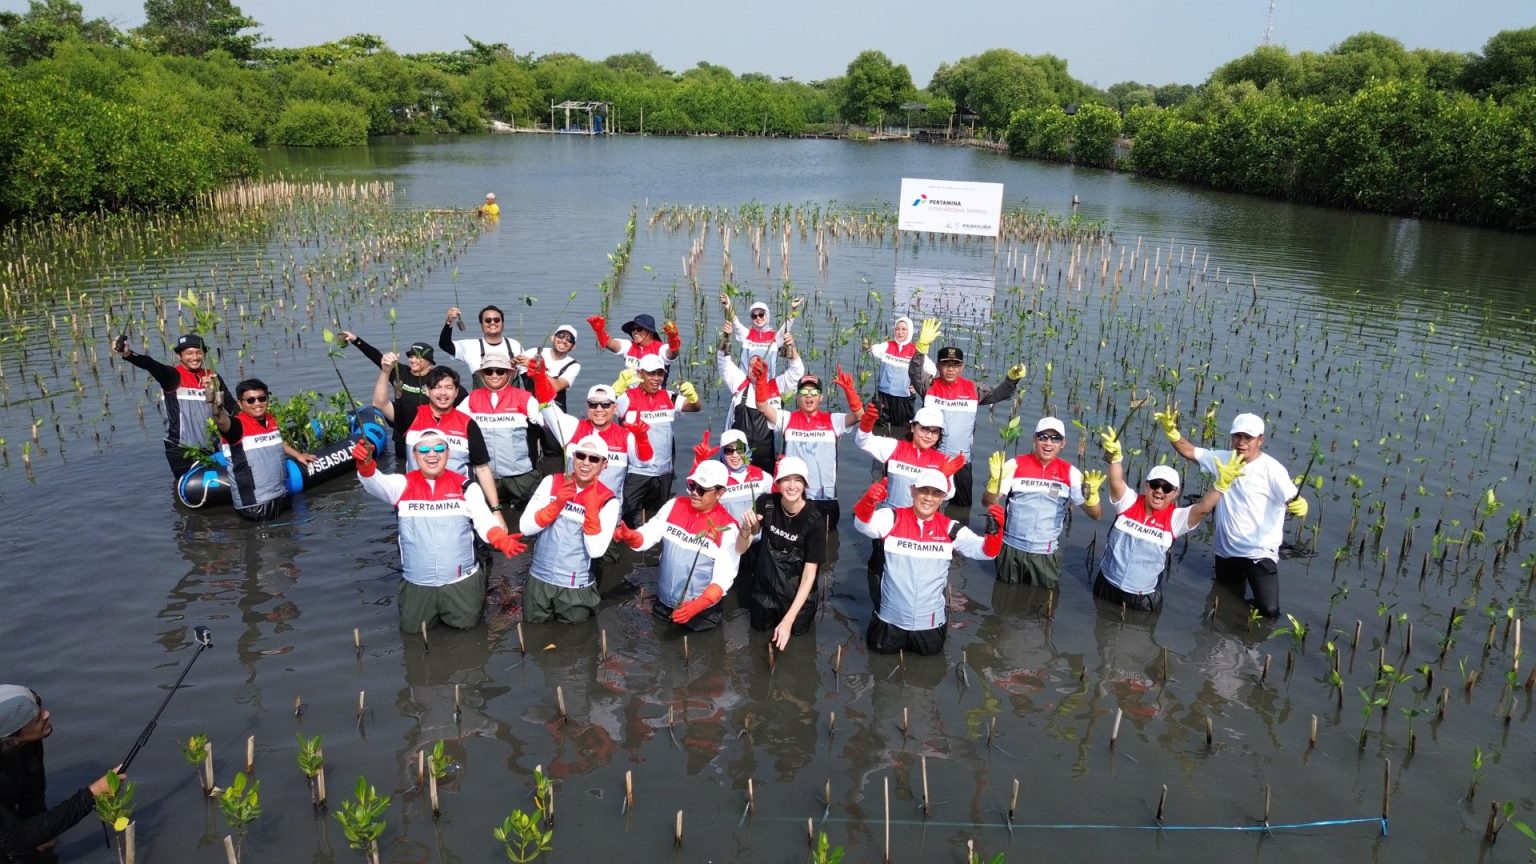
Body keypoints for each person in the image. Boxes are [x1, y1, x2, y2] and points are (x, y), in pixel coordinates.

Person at [354, 431, 525, 632]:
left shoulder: (466, 487)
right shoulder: (401, 485)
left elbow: (484, 520)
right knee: (412, 633)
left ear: (448, 453)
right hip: (417, 583)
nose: (432, 454)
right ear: (415, 455)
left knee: (468, 631)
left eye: (439, 449)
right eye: (424, 449)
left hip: (461, 582)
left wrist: (499, 538)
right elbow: (374, 481)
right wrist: (365, 464)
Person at [1158, 409, 1308, 617]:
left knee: (1269, 611)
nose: (1241, 442)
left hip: (1259, 553)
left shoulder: (1273, 470)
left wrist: (1301, 505)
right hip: (1226, 552)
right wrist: (1172, 432)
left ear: (1260, 440)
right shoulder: (1223, 460)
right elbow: (1189, 451)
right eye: (1237, 436)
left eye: (1248, 437)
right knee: (1223, 602)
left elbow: (1292, 499)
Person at [1092, 428, 1245, 612]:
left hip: (1143, 597)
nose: (1159, 491)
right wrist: (1116, 458)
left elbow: (1203, 508)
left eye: (1167, 488)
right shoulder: (1129, 502)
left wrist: (1221, 485)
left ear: (1176, 493)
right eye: (1155, 484)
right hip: (1107, 584)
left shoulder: (1175, 518)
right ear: (1146, 485)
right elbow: (1116, 481)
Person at [853, 470, 1004, 655]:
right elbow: (862, 525)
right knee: (880, 671)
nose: (928, 498)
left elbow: (986, 553)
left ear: (943, 498)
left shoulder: (951, 529)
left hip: (930, 625)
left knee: (928, 676)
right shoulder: (891, 518)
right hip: (889, 621)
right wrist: (868, 502)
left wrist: (995, 532)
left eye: (936, 493)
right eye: (924, 490)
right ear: (912, 491)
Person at [613, 461, 742, 632]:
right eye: (692, 485)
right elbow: (648, 534)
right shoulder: (674, 505)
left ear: (720, 493)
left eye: (702, 489)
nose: (694, 493)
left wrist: (697, 606)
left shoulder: (728, 528)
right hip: (663, 604)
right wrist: (632, 537)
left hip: (701, 613)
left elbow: (724, 578)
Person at [908, 320, 1025, 508]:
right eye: (946, 364)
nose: (950, 369)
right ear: (938, 366)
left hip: (962, 462)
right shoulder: (928, 385)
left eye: (955, 364)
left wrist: (1011, 379)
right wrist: (921, 349)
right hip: (932, 460)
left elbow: (1000, 393)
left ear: (962, 367)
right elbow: (914, 372)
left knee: (961, 509)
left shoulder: (973, 389)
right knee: (927, 507)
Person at [372, 359, 504, 521]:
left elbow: (482, 468)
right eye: (437, 387)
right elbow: (380, 402)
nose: (443, 393)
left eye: (449, 388)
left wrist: (496, 511)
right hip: (419, 503)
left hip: (458, 503)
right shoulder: (411, 416)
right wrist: (386, 371)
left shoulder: (468, 423)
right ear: (427, 391)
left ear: (456, 393)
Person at [0, 686, 123, 860]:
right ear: (12, 737)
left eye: (40, 707)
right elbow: (17, 840)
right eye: (36, 717)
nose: (47, 714)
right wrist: (92, 795)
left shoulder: (29, 741)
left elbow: (33, 795)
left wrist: (43, 834)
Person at [982, 417, 1104, 589]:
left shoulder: (1071, 473)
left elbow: (1096, 514)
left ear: (1063, 443)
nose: (1048, 443)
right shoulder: (1014, 464)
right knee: (1003, 600)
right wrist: (994, 483)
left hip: (1045, 555)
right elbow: (987, 502)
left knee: (1044, 606)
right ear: (1034, 439)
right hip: (1011, 550)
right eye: (1043, 437)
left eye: (1055, 438)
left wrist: (1092, 497)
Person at [517, 434, 620, 624]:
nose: (586, 463)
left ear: (604, 464)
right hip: (538, 581)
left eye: (594, 458)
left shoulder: (609, 501)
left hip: (576, 588)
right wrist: (555, 505)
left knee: (574, 643)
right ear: (573, 457)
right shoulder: (551, 482)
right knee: (534, 638)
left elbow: (596, 551)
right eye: (581, 456)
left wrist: (590, 510)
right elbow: (525, 528)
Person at [114, 333, 235, 482]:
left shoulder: (213, 377)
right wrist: (128, 354)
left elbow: (232, 406)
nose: (195, 357)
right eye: (189, 353)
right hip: (182, 448)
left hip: (214, 446)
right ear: (179, 356)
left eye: (199, 352)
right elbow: (151, 364)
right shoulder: (172, 376)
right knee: (194, 490)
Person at [526, 364, 653, 502]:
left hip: (607, 510)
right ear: (587, 407)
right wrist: (540, 379)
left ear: (615, 408)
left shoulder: (625, 436)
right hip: (571, 508)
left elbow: (644, 464)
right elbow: (547, 406)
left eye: (605, 404)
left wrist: (642, 439)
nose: (599, 409)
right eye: (593, 404)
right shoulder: (572, 427)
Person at [754, 366, 862, 528]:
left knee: (823, 548)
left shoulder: (833, 420)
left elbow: (859, 416)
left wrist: (850, 392)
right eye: (804, 393)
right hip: (795, 497)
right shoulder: (787, 418)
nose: (808, 397)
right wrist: (761, 382)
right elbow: (762, 407)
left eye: (813, 393)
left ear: (821, 397)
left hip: (825, 498)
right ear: (797, 397)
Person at [736, 456, 826, 649]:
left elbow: (809, 576)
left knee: (798, 650)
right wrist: (745, 528)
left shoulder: (815, 520)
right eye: (786, 479)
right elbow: (740, 549)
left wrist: (788, 620)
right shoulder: (765, 504)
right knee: (757, 644)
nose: (792, 486)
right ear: (778, 483)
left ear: (805, 484)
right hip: (763, 593)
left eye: (798, 480)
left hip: (797, 599)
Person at [613, 354, 702, 525]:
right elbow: (603, 410)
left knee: (656, 518)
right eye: (651, 374)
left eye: (659, 374)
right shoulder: (627, 397)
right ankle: (631, 549)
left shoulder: (669, 396)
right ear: (640, 374)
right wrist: (616, 389)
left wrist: (693, 396)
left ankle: (651, 550)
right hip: (636, 471)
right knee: (629, 519)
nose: (656, 379)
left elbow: (696, 408)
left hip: (663, 471)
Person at [214, 378, 317, 522]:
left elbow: (276, 443)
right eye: (250, 400)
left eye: (262, 398)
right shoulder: (236, 426)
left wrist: (298, 455)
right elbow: (222, 421)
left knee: (290, 540)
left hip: (281, 494)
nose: (257, 403)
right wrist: (216, 407)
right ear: (240, 404)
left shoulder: (270, 419)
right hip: (255, 503)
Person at [339, 336, 459, 458]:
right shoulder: (399, 372)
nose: (413, 360)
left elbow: (456, 396)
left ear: (429, 361)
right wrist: (356, 341)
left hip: (429, 433)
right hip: (401, 432)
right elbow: (376, 357)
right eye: (411, 356)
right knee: (402, 465)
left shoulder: (437, 379)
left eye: (418, 357)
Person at [462, 355, 544, 517]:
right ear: (481, 375)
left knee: (532, 516)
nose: (494, 375)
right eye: (488, 371)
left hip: (521, 475)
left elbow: (549, 424)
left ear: (509, 374)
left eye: (500, 371)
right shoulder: (471, 399)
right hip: (485, 474)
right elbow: (454, 427)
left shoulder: (525, 398)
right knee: (486, 519)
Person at [717, 325, 804, 473]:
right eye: (751, 365)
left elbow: (797, 372)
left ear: (767, 367)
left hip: (768, 457)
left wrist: (792, 349)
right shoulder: (740, 382)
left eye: (759, 364)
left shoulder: (777, 385)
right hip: (739, 455)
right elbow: (723, 362)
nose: (755, 368)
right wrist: (726, 337)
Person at [515, 325, 583, 456]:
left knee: (554, 454)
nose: (564, 340)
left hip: (554, 414)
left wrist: (538, 369)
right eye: (561, 336)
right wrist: (514, 361)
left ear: (573, 347)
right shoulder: (535, 352)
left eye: (569, 339)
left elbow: (557, 386)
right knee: (527, 452)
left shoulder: (574, 365)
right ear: (553, 337)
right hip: (529, 410)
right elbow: (512, 367)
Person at [867, 315, 935, 431]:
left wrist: (917, 385)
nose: (900, 332)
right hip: (883, 396)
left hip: (904, 398)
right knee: (879, 428)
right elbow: (870, 351)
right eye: (897, 329)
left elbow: (932, 370)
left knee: (902, 430)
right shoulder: (886, 346)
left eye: (904, 329)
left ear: (910, 331)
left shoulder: (915, 351)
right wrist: (867, 344)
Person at [689, 429, 771, 522]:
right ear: (722, 453)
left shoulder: (763, 477)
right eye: (729, 450)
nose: (735, 455)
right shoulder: (714, 478)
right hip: (728, 534)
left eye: (740, 449)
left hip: (755, 535)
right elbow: (693, 493)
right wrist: (698, 463)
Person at [720, 293, 803, 375]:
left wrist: (793, 309)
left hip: (766, 386)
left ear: (767, 315)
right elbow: (735, 321)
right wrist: (728, 306)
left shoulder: (775, 338)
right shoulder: (746, 334)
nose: (758, 318)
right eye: (754, 316)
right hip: (745, 386)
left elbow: (787, 324)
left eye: (761, 314)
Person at [439, 305, 522, 378]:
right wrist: (450, 321)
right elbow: (445, 344)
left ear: (503, 323)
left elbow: (526, 374)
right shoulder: (470, 346)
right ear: (481, 324)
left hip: (511, 395)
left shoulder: (515, 345)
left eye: (496, 320)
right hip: (481, 395)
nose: (492, 323)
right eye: (488, 320)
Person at [586, 313, 680, 374]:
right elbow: (609, 343)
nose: (635, 332)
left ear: (650, 332)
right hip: (631, 396)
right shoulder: (628, 346)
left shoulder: (661, 349)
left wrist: (673, 338)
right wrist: (599, 330)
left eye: (639, 329)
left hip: (655, 398)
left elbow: (672, 352)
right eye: (633, 329)